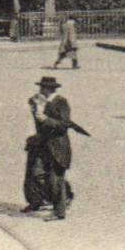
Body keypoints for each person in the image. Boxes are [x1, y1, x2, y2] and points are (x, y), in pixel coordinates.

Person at [23, 75, 80, 221]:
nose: (41, 90)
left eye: (44, 88)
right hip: (41, 144)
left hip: (57, 145)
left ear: (50, 89)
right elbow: (33, 113)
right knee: (35, 174)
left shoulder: (61, 102)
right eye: (41, 87)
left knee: (55, 178)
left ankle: (59, 211)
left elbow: (64, 124)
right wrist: (35, 105)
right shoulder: (38, 101)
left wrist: (46, 120)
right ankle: (38, 201)